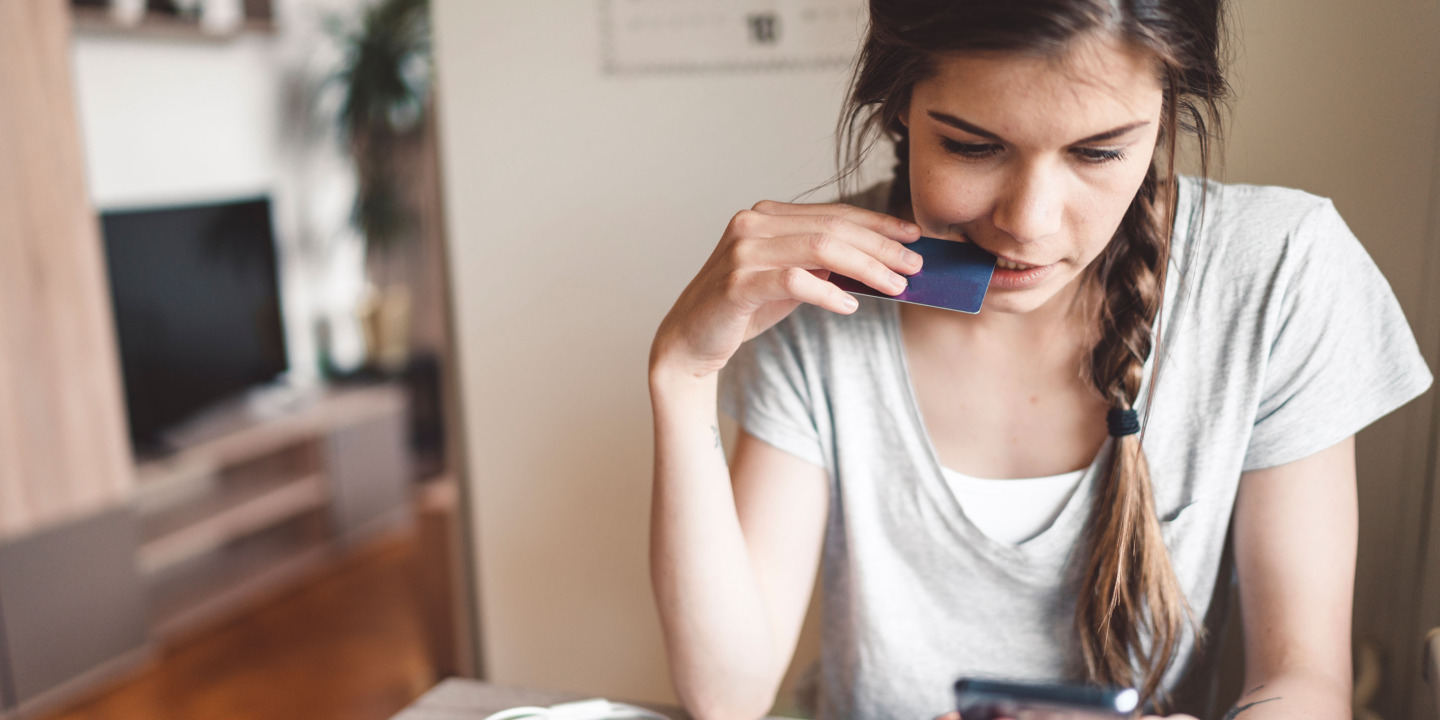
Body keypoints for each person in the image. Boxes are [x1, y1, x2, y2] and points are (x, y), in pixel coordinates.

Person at [646, 2, 1431, 719]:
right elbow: (729, 693)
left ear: (1164, 120)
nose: (1028, 222)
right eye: (972, 145)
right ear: (898, 109)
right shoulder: (815, 290)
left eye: (1098, 152)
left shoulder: (1277, 271)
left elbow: (1303, 682)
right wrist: (681, 375)